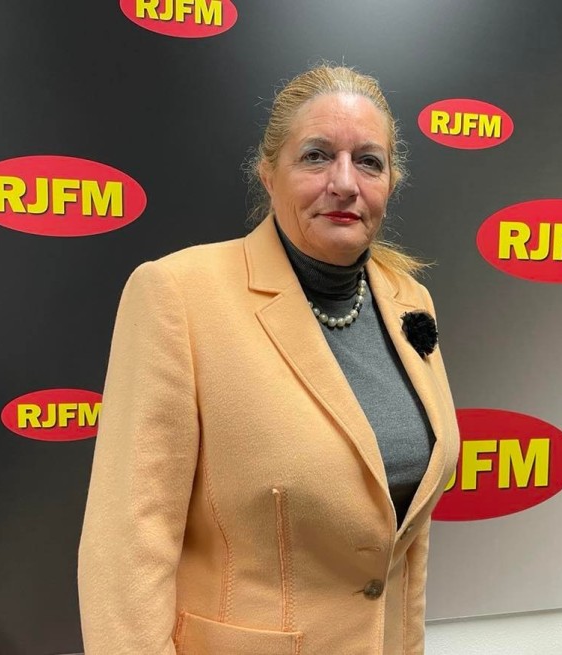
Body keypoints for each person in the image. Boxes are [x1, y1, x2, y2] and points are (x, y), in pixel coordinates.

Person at [77, 63, 460, 655]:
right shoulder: (178, 294)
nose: (344, 182)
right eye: (316, 156)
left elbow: (405, 541)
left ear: (391, 180)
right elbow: (127, 545)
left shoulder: (410, 300)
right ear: (268, 172)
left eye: (368, 161)